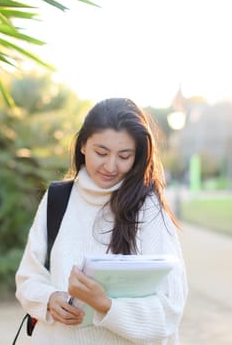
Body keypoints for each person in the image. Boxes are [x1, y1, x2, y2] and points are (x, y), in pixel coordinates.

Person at [15, 97, 188, 344]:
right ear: (83, 145)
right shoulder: (58, 199)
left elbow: (171, 309)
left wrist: (105, 305)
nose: (111, 166)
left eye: (124, 156)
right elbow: (28, 277)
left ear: (137, 156)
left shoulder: (148, 209)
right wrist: (50, 299)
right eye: (101, 152)